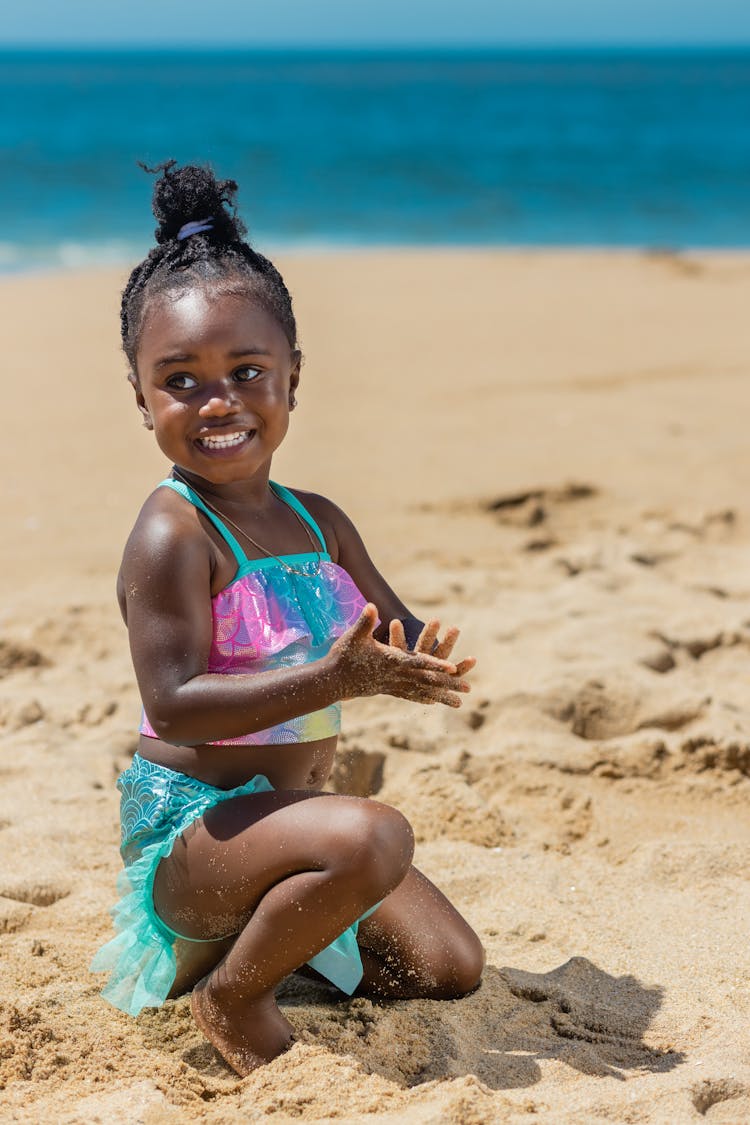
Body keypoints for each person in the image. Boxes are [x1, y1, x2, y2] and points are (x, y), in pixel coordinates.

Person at [91, 161, 484, 1077]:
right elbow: (178, 702)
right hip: (197, 843)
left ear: (293, 379)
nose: (217, 399)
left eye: (247, 370)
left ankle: (287, 939)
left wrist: (417, 659)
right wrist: (333, 680)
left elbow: (390, 632)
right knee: (376, 831)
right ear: (140, 394)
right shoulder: (173, 530)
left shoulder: (319, 520)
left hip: (293, 831)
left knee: (447, 968)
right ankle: (230, 993)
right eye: (180, 378)